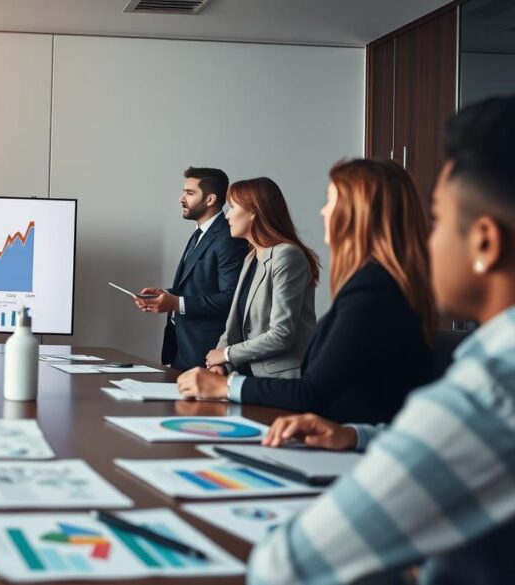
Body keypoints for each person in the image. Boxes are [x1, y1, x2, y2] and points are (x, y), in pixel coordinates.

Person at [248, 95, 515, 585]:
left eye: (436, 219)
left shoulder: (495, 387)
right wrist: (357, 436)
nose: (426, 238)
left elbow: (287, 565)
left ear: (484, 242)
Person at [178, 159, 435, 424]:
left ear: (357, 213)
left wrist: (226, 383)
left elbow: (311, 390)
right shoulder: (370, 284)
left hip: (295, 402)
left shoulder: (371, 290)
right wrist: (223, 364)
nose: (323, 212)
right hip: (332, 425)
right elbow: (234, 324)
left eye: (330, 201)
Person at [204, 177, 319, 380]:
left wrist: (226, 354)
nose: (227, 216)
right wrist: (220, 363)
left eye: (232, 207)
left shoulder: (287, 255)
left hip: (281, 380)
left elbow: (282, 334)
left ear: (253, 212)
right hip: (246, 376)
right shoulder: (251, 256)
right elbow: (234, 325)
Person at [135, 167, 248, 370]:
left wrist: (176, 303)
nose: (181, 198)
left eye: (190, 193)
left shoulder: (228, 238)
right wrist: (165, 295)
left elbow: (231, 298)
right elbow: (199, 286)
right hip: (182, 349)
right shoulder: (200, 233)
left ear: (210, 199)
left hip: (206, 353)